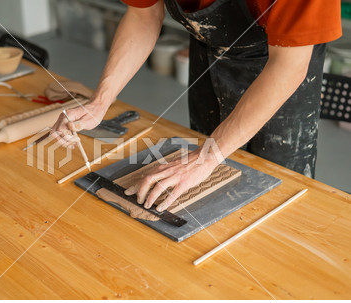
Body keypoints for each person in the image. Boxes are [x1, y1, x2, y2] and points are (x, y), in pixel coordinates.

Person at [51, 0, 342, 212]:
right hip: (210, 56)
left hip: (280, 67)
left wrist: (208, 156)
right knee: (203, 193)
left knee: (277, 199)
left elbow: (289, 66)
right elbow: (143, 15)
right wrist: (101, 101)